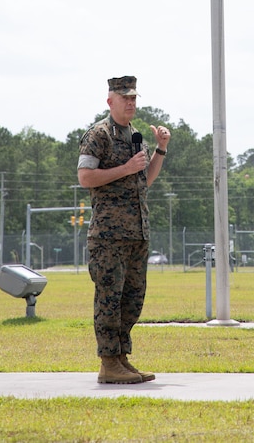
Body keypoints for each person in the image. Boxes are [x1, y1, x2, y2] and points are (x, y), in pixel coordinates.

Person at [77, 75, 171, 384]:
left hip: (136, 233)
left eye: (133, 98)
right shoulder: (98, 135)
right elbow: (86, 177)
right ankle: (108, 363)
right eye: (125, 98)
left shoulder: (135, 137)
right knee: (109, 299)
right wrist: (125, 169)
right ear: (110, 101)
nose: (130, 103)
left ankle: (121, 358)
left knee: (132, 300)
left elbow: (144, 180)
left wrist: (160, 150)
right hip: (109, 236)